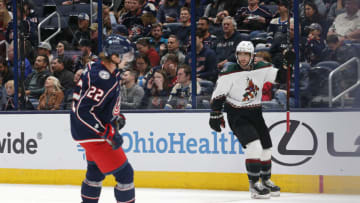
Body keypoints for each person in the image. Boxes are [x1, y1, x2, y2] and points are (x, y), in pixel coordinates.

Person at [209, 41, 287, 199]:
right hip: (237, 114)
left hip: (256, 113)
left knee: (266, 148)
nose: (243, 58)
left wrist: (285, 63)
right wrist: (215, 113)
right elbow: (218, 94)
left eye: (246, 54)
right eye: (240, 54)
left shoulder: (261, 68)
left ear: (252, 56)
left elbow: (281, 78)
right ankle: (254, 186)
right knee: (254, 147)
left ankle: (266, 181)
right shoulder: (229, 71)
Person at [70, 34, 135, 203]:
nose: (128, 59)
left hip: (85, 130)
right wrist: (107, 132)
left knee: (95, 172)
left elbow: (97, 103)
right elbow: (83, 111)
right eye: (125, 55)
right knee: (125, 174)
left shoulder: (102, 69)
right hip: (93, 132)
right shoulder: (102, 78)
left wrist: (114, 115)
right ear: (114, 56)